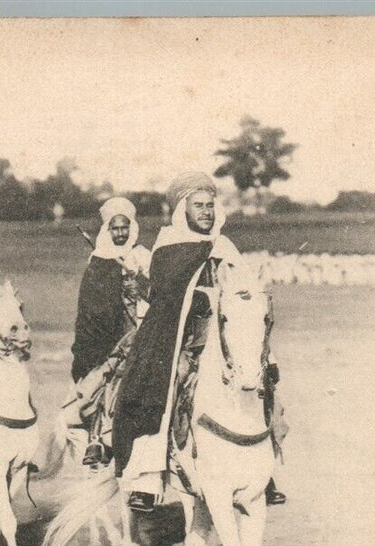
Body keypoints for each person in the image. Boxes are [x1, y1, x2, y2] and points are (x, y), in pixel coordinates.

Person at [112, 172, 285, 513]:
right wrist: (208, 298)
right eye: (198, 206)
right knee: (163, 382)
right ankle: (150, 475)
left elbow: (245, 289)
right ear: (183, 210)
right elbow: (168, 297)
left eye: (210, 205)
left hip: (226, 335)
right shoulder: (169, 245)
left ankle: (267, 471)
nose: (206, 212)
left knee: (264, 379)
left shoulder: (224, 245)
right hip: (184, 337)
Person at [68, 196, 151, 468]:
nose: (120, 233)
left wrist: (136, 279)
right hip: (109, 335)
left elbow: (157, 293)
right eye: (114, 228)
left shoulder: (143, 256)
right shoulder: (100, 259)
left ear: (132, 227)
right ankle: (95, 436)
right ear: (107, 230)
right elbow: (91, 303)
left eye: (124, 227)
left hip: (143, 328)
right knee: (104, 377)